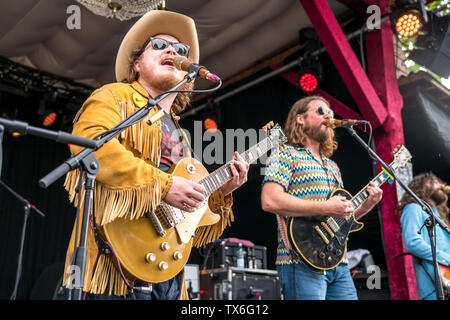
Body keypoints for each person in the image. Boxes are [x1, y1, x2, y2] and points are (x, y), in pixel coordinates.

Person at [61, 10, 249, 300]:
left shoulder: (181, 135)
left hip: (168, 276)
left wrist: (220, 193)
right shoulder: (114, 97)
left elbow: (186, 219)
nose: (173, 51)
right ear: (136, 64)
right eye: (159, 45)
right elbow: (90, 145)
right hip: (114, 264)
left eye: (181, 50)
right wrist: (164, 186)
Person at [260, 96, 383, 300]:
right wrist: (326, 207)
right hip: (300, 261)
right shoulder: (286, 154)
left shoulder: (333, 167)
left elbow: (342, 220)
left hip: (338, 264)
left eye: (331, 114)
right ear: (300, 119)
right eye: (320, 111)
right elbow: (270, 201)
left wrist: (367, 205)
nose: (328, 116)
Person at [397, 172, 450, 300]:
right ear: (421, 186)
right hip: (433, 285)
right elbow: (412, 242)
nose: (441, 185)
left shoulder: (437, 213)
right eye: (434, 182)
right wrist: (447, 259)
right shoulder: (413, 208)